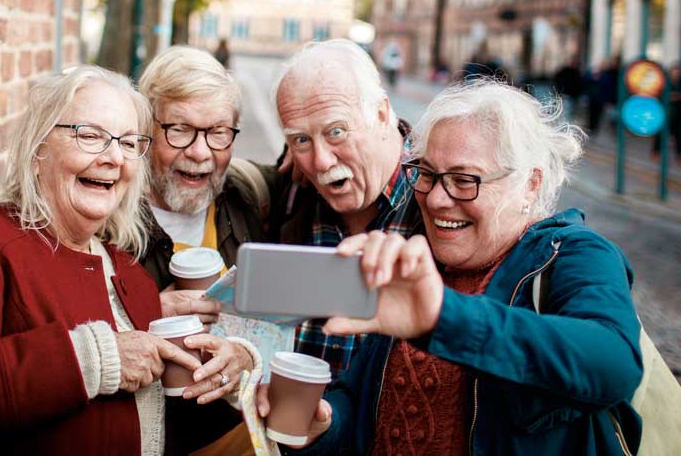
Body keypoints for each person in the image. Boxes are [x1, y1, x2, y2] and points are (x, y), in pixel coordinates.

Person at [262, 80, 643, 455]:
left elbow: (613, 363)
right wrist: (325, 423)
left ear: (530, 184)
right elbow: (361, 399)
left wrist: (442, 317)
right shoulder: (421, 258)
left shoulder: (574, 254)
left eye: (464, 180)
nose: (438, 200)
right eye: (427, 175)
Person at [0, 66, 203, 455]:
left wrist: (225, 367)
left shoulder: (133, 276)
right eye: (90, 136)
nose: (113, 158)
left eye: (127, 143)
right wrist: (94, 358)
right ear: (39, 150)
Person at [138, 45, 279, 453]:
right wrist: (144, 312)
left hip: (239, 437)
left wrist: (248, 359)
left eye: (218, 132)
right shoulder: (105, 214)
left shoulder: (251, 195)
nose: (200, 152)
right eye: (179, 129)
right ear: (147, 128)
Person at [271, 39, 424, 379]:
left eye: (336, 132)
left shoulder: (439, 201)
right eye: (301, 140)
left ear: (382, 114)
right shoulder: (288, 196)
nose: (321, 160)